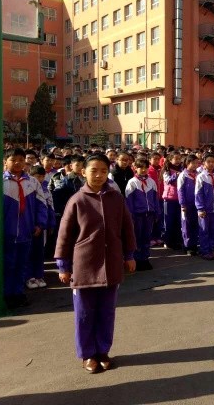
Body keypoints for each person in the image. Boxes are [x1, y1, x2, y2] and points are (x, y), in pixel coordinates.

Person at [55, 154, 136, 374]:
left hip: (111, 264)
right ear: (84, 172)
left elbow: (127, 228)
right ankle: (87, 354)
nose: (98, 175)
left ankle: (102, 350)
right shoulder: (77, 200)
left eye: (103, 171)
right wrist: (63, 265)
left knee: (107, 311)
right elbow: (64, 236)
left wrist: (129, 255)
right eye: (94, 170)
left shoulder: (116, 199)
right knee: (84, 313)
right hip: (84, 266)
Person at [3, 149, 48, 308]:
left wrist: (40, 224)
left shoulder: (32, 182)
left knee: (22, 264)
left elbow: (42, 205)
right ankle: (7, 294)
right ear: (5, 162)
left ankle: (18, 293)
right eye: (13, 159)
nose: (17, 163)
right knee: (7, 264)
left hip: (26, 231)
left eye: (21, 160)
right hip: (6, 233)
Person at [125, 158, 160, 270]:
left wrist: (156, 213)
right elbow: (129, 201)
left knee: (146, 237)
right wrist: (131, 216)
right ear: (135, 168)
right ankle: (136, 259)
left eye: (145, 167)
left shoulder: (151, 182)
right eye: (141, 167)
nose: (144, 170)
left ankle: (145, 258)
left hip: (149, 215)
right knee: (137, 237)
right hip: (137, 215)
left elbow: (155, 199)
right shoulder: (132, 182)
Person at [195, 154, 214, 260]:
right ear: (204, 163)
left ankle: (211, 250)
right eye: (209, 162)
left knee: (213, 230)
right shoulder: (201, 177)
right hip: (205, 210)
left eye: (213, 161)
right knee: (204, 230)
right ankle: (204, 251)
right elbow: (198, 194)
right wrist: (200, 208)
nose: (211, 164)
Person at [177, 155, 200, 256]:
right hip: (187, 204)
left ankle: (194, 245)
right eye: (193, 163)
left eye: (196, 163)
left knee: (195, 224)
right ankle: (187, 246)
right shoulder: (183, 175)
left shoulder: (199, 174)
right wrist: (182, 203)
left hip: (197, 203)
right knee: (186, 225)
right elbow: (180, 190)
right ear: (187, 163)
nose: (195, 165)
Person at [162, 151, 183, 250]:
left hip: (179, 199)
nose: (178, 161)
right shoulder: (167, 170)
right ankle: (168, 241)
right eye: (176, 159)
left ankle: (177, 240)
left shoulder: (182, 169)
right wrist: (176, 175)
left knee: (178, 221)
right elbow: (168, 180)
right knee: (169, 221)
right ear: (170, 160)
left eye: (179, 158)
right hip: (169, 199)